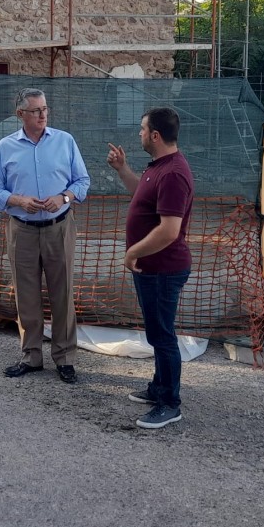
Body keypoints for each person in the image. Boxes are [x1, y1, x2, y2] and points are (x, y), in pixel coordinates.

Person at [0, 89, 90, 383]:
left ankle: (65, 358)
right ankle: (31, 356)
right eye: (36, 110)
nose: (43, 115)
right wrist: (19, 201)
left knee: (63, 293)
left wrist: (64, 198)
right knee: (27, 296)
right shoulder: (5, 147)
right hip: (22, 230)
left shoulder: (64, 141)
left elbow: (82, 181)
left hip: (60, 226)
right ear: (20, 114)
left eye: (45, 109)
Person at [106, 106, 194, 430]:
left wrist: (133, 253)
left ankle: (170, 402)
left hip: (162, 269)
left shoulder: (173, 173)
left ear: (155, 135)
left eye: (143, 129)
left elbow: (170, 230)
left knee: (163, 335)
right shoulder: (157, 167)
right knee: (157, 332)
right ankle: (158, 387)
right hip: (152, 268)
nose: (139, 134)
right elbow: (140, 197)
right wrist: (122, 168)